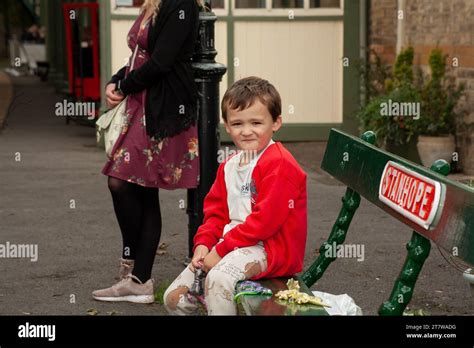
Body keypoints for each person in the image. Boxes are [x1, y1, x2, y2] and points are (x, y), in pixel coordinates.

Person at [163, 76, 308, 315]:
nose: (247, 131)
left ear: (276, 122)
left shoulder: (279, 164)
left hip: (269, 249)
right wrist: (203, 245)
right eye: (238, 123)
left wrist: (220, 251)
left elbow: (264, 224)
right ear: (227, 126)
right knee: (173, 298)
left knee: (218, 280)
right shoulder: (229, 165)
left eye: (256, 122)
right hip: (233, 245)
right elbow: (215, 215)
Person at [92, 0, 201, 304]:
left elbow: (162, 62)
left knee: (121, 181)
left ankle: (137, 275)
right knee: (141, 190)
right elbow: (140, 57)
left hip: (161, 108)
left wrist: (125, 86)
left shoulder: (182, 4)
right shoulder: (155, 3)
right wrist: (117, 79)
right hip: (142, 105)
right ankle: (138, 278)